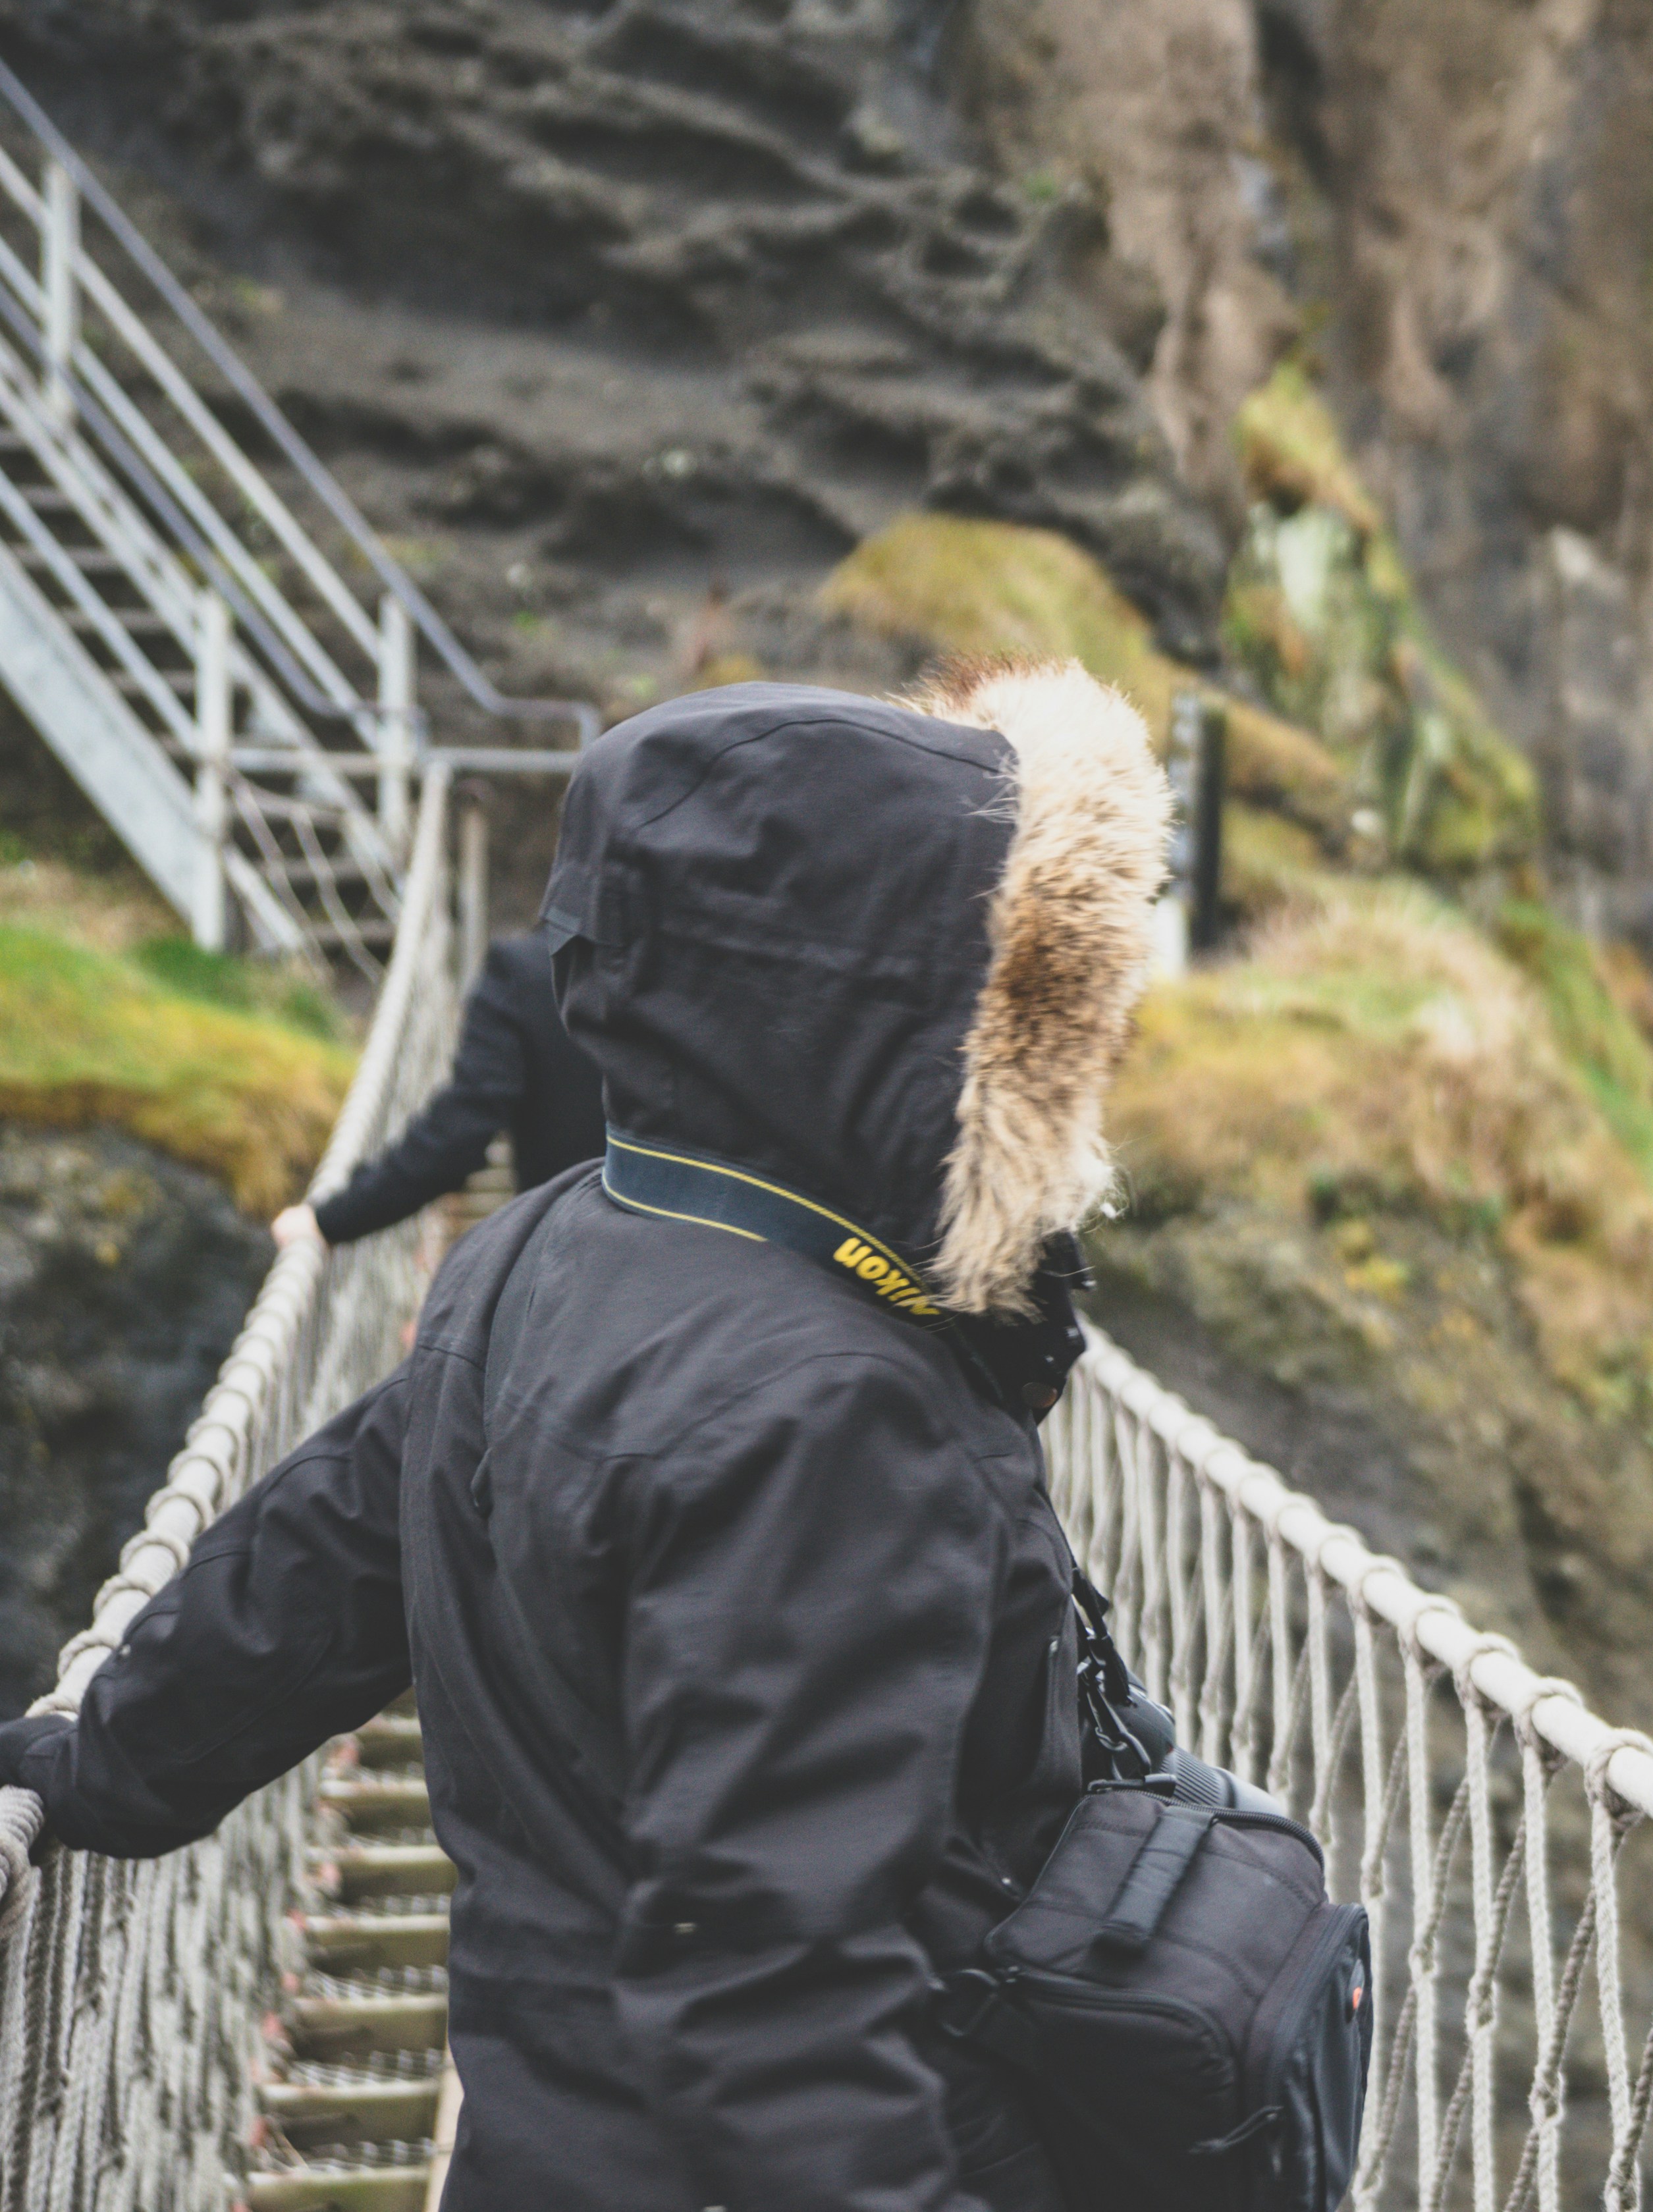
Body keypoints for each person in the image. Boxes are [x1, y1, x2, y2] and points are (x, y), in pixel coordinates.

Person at [0, 661, 1171, 2212]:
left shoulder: (543, 1248)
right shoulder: (831, 1407)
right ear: (882, 1004)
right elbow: (776, 2001)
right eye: (1021, 998)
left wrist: (101, 1764)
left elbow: (321, 1557)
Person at [273, 923, 608, 1257]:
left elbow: (459, 1133)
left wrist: (332, 1220)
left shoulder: (524, 971)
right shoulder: (656, 964)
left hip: (574, 1263)